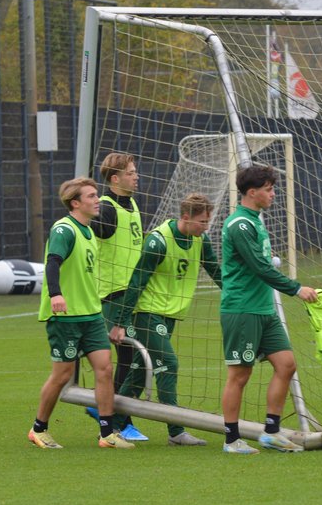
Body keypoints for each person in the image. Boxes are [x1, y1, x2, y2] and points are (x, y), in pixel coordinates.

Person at [219, 163, 318, 454]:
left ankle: (271, 433)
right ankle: (231, 439)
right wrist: (297, 289)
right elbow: (261, 268)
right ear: (252, 193)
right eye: (268, 189)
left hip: (263, 309)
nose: (273, 194)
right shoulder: (239, 224)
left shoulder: (255, 220)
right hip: (242, 309)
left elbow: (261, 261)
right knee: (239, 375)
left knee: (287, 365)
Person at [108, 193, 223, 446]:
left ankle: (110, 426)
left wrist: (236, 293)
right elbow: (136, 283)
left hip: (169, 315)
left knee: (138, 372)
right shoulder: (158, 242)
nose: (206, 226)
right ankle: (176, 431)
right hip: (147, 314)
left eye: (208, 221)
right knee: (168, 364)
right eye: (202, 221)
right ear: (185, 217)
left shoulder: (200, 240)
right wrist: (120, 322)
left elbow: (214, 269)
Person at [30, 177, 134, 449]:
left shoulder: (89, 232)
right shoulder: (65, 230)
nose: (97, 199)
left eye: (96, 194)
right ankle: (38, 429)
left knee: (104, 369)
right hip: (66, 318)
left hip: (91, 315)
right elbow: (53, 263)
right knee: (62, 375)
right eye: (91, 196)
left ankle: (107, 433)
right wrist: (56, 294)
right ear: (75, 203)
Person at [86, 151, 149, 441]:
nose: (136, 176)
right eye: (131, 172)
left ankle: (111, 413)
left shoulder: (132, 203)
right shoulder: (107, 208)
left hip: (131, 291)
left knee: (129, 358)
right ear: (115, 178)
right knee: (131, 355)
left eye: (135, 171)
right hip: (114, 293)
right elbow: (96, 228)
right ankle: (117, 420)